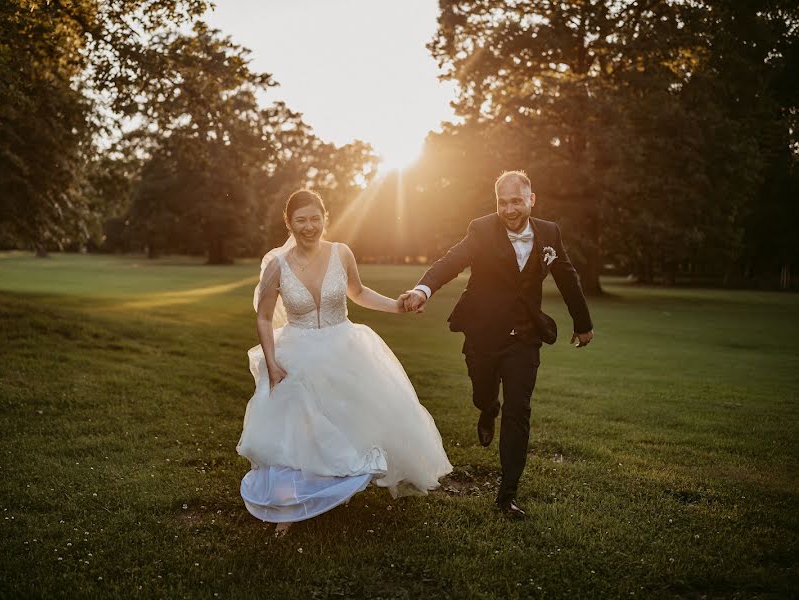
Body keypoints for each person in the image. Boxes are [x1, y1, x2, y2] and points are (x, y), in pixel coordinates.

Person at [237, 189, 452, 535]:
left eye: (315, 219)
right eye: (301, 220)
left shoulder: (342, 253)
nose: (309, 227)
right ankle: (289, 507)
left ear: (325, 217)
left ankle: (338, 485)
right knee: (295, 427)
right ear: (289, 223)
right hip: (297, 349)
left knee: (351, 420)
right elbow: (264, 318)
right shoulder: (277, 265)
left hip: (344, 344)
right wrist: (273, 362)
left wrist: (396, 306)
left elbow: (359, 292)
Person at [402, 170, 594, 519]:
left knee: (518, 410)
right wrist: (422, 289)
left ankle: (507, 495)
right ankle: (487, 410)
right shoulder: (481, 229)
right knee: (483, 393)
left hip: (525, 338)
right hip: (484, 333)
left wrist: (583, 325)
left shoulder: (549, 233)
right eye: (502, 202)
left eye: (516, 201)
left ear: (531, 200)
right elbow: (452, 261)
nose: (509, 209)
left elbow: (567, 277)